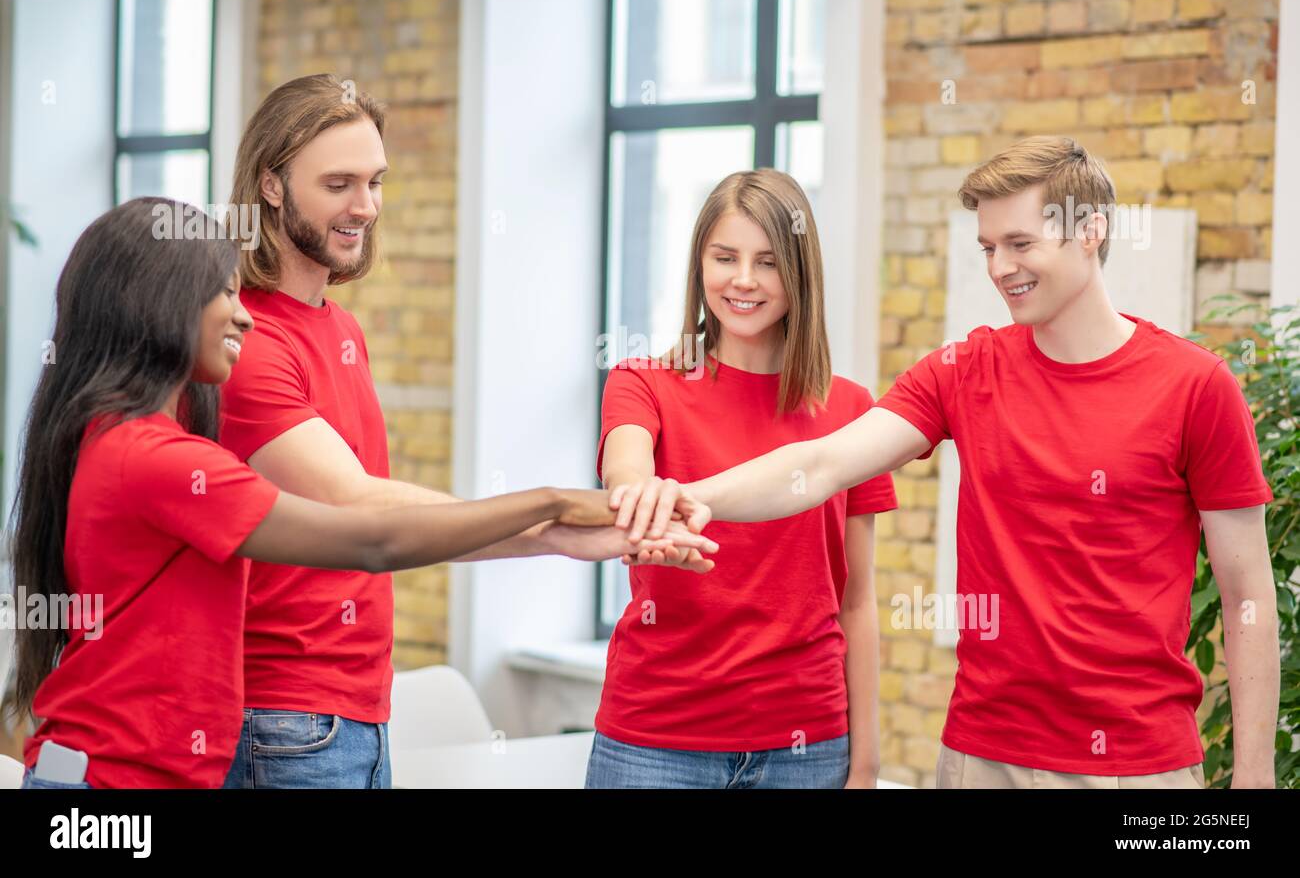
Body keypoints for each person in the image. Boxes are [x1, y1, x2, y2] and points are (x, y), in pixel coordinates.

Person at [614, 137, 1280, 789]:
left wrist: (1254, 778)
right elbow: (819, 466)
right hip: (981, 758)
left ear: (1090, 231)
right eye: (989, 248)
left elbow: (1247, 596)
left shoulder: (1195, 386)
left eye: (1020, 244)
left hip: (1140, 767)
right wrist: (689, 498)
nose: (999, 268)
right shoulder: (965, 371)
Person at [5, 198, 716, 789]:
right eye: (221, 293)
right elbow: (369, 538)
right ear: (155, 307)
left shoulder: (117, 438)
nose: (244, 316)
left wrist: (556, 538)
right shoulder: (156, 460)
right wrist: (554, 505)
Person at [218, 75, 702, 788]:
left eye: (376, 182)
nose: (366, 207)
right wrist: (552, 511)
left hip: (353, 711)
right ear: (271, 185)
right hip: (283, 715)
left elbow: (395, 518)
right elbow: (359, 508)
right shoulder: (250, 342)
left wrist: (556, 539)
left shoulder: (339, 328)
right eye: (340, 184)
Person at [585, 170, 897, 789]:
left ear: (800, 273)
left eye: (769, 262)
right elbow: (627, 469)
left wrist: (866, 762)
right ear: (700, 264)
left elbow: (856, 601)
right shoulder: (643, 382)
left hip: (807, 749)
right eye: (725, 258)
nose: (744, 280)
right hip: (655, 742)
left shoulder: (853, 412)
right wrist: (640, 497)